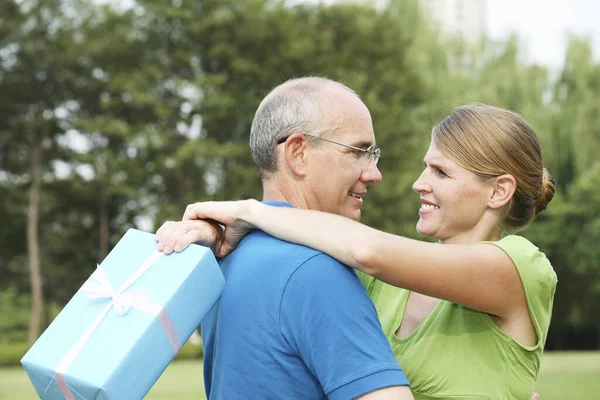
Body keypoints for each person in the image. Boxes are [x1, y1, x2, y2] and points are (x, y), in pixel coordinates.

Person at [160, 104, 556, 399]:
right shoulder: (382, 286)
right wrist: (212, 232)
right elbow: (307, 246)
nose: (418, 183)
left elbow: (365, 248)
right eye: (425, 168)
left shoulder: (520, 267)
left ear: (498, 191)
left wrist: (249, 211)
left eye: (441, 172)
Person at [158, 77, 413, 399]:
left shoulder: (226, 259)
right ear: (298, 153)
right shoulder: (316, 271)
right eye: (358, 152)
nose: (374, 174)